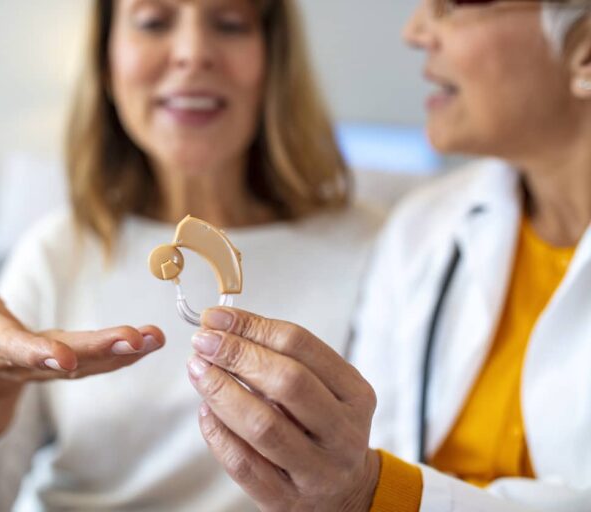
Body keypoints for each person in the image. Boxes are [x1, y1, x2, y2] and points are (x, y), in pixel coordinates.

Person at [0, 0, 381, 510]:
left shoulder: (384, 248)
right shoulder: (59, 250)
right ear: (106, 61)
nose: (192, 53)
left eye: (231, 23)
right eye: (152, 22)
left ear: (273, 57)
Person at [183, 1, 591, 510]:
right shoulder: (423, 228)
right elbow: (380, 451)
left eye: (457, 5)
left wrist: (370, 492)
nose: (415, 31)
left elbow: (375, 483)